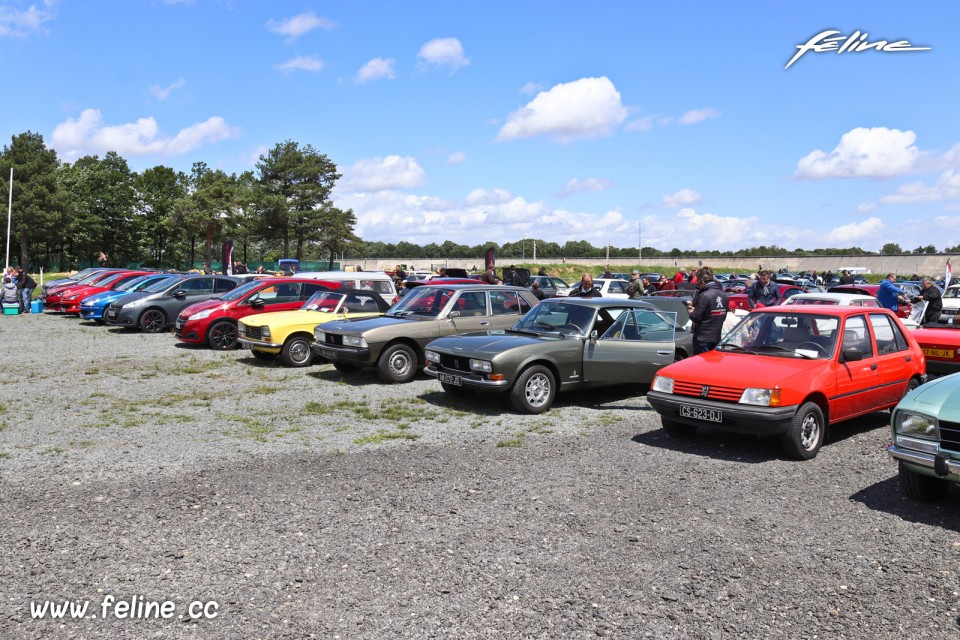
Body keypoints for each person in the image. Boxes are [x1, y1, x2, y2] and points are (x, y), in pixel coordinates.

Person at [686, 267, 728, 355]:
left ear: (702, 282)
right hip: (717, 337)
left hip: (702, 338)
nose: (698, 285)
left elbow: (696, 317)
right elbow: (723, 316)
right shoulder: (724, 295)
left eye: (698, 282)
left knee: (700, 365)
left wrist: (690, 310)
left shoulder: (704, 295)